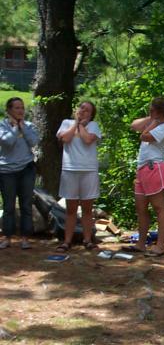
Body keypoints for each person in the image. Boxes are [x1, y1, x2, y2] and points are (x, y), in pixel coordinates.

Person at [124, 97, 164, 257]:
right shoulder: (154, 122)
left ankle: (160, 246)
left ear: (160, 111)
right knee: (141, 208)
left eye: (152, 110)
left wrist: (154, 122)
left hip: (155, 167)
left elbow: (144, 136)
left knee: (159, 208)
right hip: (142, 169)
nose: (149, 111)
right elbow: (134, 126)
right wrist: (151, 119)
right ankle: (141, 244)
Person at [55, 101, 103, 251]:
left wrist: (82, 126)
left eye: (87, 110)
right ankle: (67, 241)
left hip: (89, 170)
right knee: (71, 209)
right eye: (82, 108)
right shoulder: (66, 123)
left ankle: (87, 240)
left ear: (91, 115)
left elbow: (87, 140)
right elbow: (65, 138)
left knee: (87, 209)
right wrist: (76, 123)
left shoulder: (93, 126)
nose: (83, 111)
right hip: (70, 170)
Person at [0, 97, 39, 250]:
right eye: (17, 108)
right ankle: (7, 237)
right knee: (9, 206)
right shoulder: (2, 125)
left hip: (26, 169)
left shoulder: (29, 125)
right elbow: (8, 142)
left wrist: (23, 127)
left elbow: (33, 141)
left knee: (26, 205)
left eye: (22, 107)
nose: (20, 110)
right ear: (9, 110)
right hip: (6, 171)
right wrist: (16, 127)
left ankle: (25, 238)